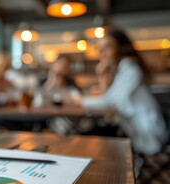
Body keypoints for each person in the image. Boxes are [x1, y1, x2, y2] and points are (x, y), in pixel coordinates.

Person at [70, 28, 168, 156]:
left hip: (146, 130)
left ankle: (108, 173)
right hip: (131, 126)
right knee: (88, 134)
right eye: (100, 49)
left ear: (121, 47)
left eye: (108, 47)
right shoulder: (121, 69)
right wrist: (101, 75)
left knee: (85, 138)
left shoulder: (130, 68)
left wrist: (79, 101)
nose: (102, 53)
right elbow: (107, 98)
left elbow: (109, 102)